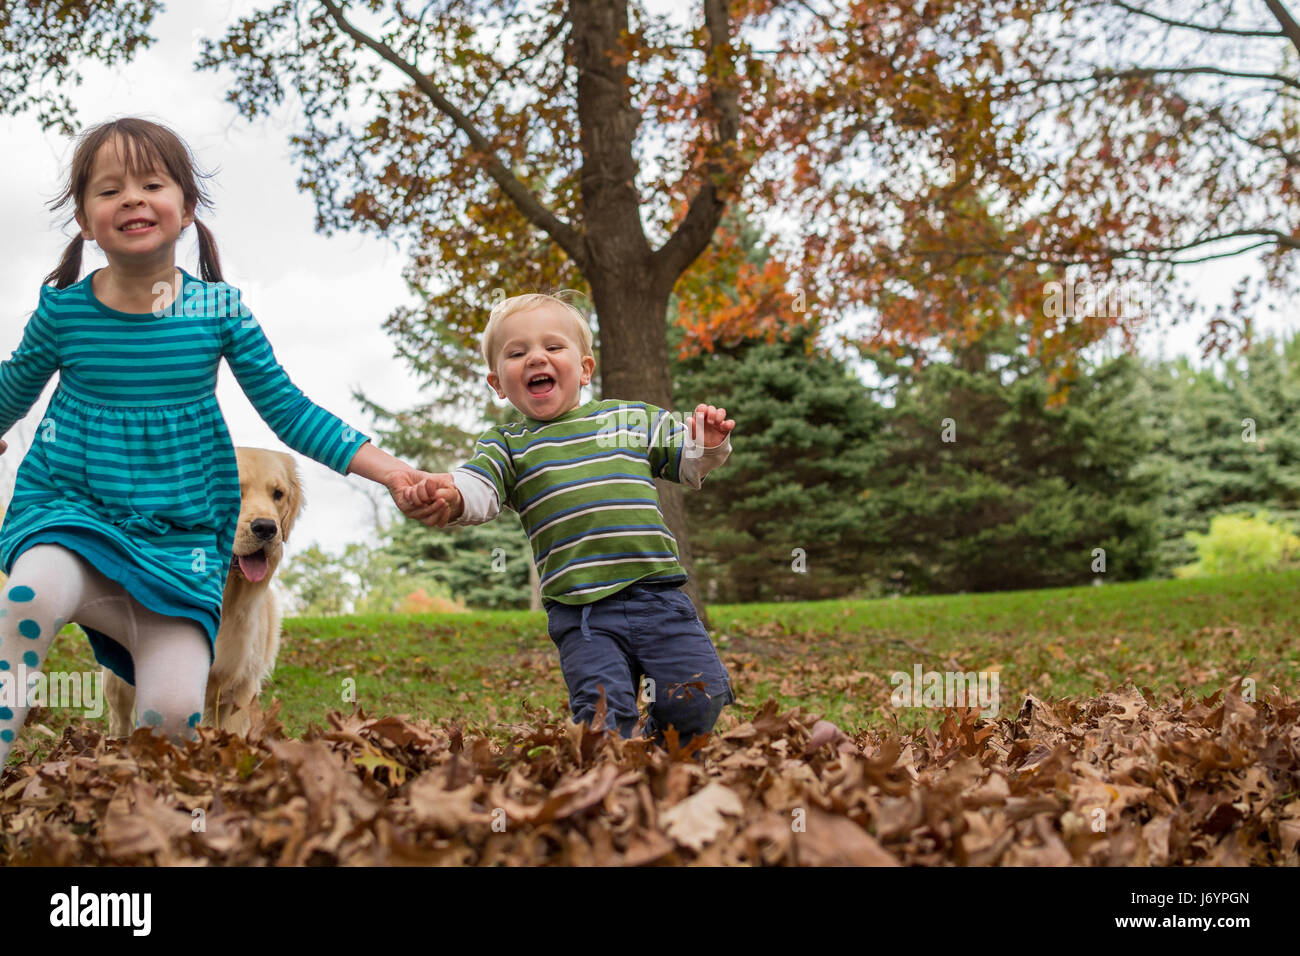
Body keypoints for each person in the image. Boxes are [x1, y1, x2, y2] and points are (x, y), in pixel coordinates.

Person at [0, 117, 437, 766]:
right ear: (85, 222)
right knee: (27, 599)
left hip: (181, 548)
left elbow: (290, 411)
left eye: (152, 183)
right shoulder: (64, 313)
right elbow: (10, 390)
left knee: (172, 719)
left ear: (186, 211)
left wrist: (395, 473)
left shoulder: (220, 311)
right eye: (109, 189)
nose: (132, 199)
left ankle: (149, 826)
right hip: (71, 516)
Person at [400, 292, 737, 746]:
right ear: (498, 382)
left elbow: (689, 463)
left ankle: (661, 750)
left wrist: (708, 443)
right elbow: (479, 489)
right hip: (582, 615)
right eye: (517, 353)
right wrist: (453, 493)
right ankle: (614, 778)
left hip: (657, 595)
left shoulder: (629, 419)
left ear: (584, 368)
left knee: (698, 696)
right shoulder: (508, 444)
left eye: (552, 347)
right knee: (602, 718)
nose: (536, 357)